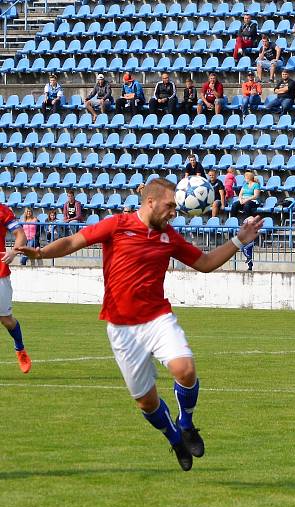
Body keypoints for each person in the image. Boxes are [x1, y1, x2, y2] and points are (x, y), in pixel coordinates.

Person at [16, 178, 264, 470]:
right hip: (121, 329)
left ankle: (185, 423)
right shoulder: (116, 225)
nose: (174, 212)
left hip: (158, 318)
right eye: (170, 205)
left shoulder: (169, 236)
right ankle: (174, 438)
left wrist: (238, 240)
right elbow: (73, 241)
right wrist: (42, 252)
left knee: (184, 369)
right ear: (150, 202)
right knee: (146, 402)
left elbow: (206, 263)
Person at [0, 202, 30, 373]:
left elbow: (20, 234)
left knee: (6, 320)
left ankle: (20, 348)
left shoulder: (2, 211)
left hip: (0, 272)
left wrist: (14, 251)